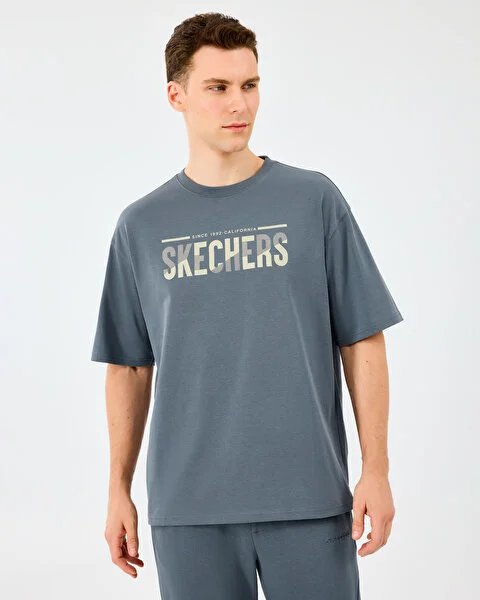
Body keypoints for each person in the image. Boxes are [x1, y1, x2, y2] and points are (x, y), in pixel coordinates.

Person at [90, 11, 404, 600]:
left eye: (249, 85)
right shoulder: (141, 225)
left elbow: (362, 337)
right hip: (188, 508)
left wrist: (377, 469)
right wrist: (117, 489)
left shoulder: (313, 200)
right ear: (176, 96)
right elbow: (129, 366)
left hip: (309, 498)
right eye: (218, 87)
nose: (240, 104)